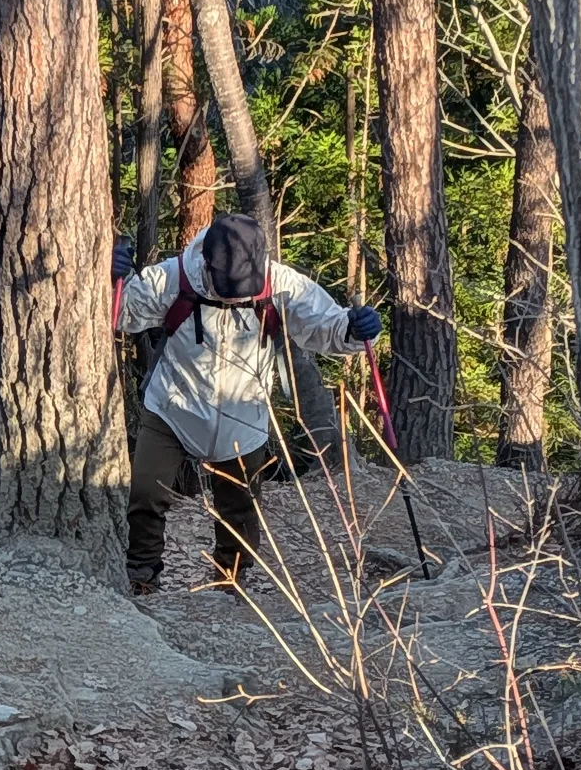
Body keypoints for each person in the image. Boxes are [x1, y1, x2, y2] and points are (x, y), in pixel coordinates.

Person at [112, 213, 380, 594]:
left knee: (239, 507)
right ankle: (140, 575)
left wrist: (354, 328)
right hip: (173, 404)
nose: (236, 295)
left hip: (243, 413)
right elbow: (121, 314)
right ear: (207, 262)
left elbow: (324, 325)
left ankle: (230, 581)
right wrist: (111, 279)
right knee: (144, 493)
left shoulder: (281, 285)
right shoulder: (173, 278)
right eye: (228, 287)